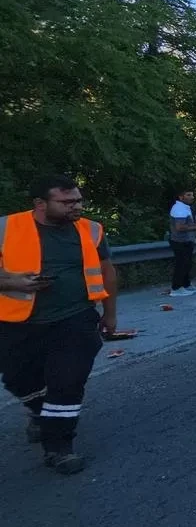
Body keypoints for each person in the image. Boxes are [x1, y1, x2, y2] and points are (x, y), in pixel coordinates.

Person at [0, 175, 118, 474]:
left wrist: (110, 313)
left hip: (76, 318)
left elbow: (106, 271)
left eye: (78, 200)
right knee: (18, 379)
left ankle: (59, 447)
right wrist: (13, 281)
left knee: (67, 383)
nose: (76, 206)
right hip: (17, 322)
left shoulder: (91, 230)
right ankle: (43, 416)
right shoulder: (6, 228)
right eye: (66, 202)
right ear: (40, 204)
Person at [168, 189, 196, 296]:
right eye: (188, 195)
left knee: (187, 264)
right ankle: (176, 288)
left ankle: (186, 284)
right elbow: (179, 227)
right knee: (181, 264)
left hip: (187, 240)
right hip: (180, 241)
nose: (192, 197)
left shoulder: (185, 207)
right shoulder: (179, 208)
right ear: (181, 197)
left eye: (192, 195)